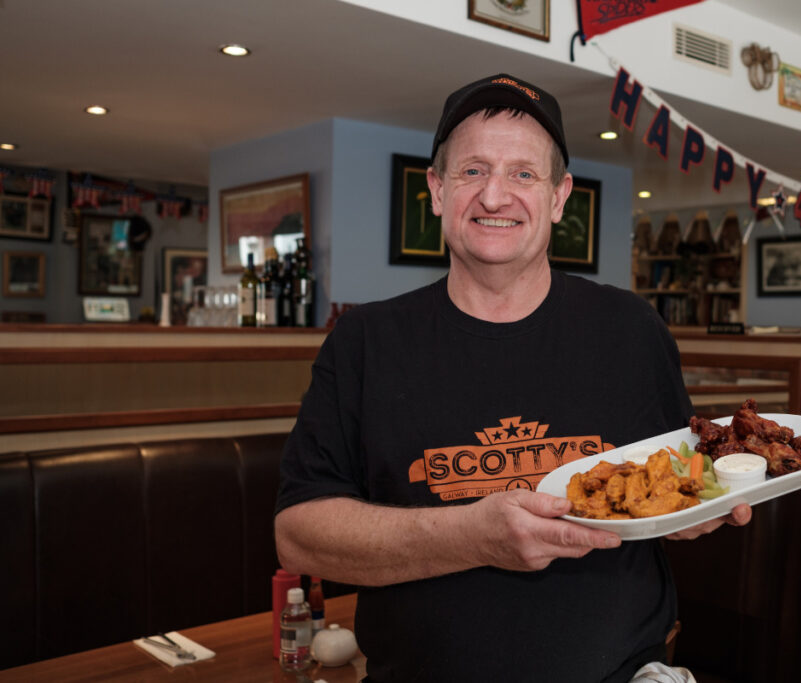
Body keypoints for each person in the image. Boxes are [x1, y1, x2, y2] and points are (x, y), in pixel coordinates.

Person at [274, 73, 751, 682]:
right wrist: (471, 536)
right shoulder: (365, 341)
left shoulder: (633, 329)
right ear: (437, 190)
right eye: (473, 170)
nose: (495, 197)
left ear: (559, 197)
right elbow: (299, 535)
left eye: (524, 174)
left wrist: (700, 509)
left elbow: (676, 484)